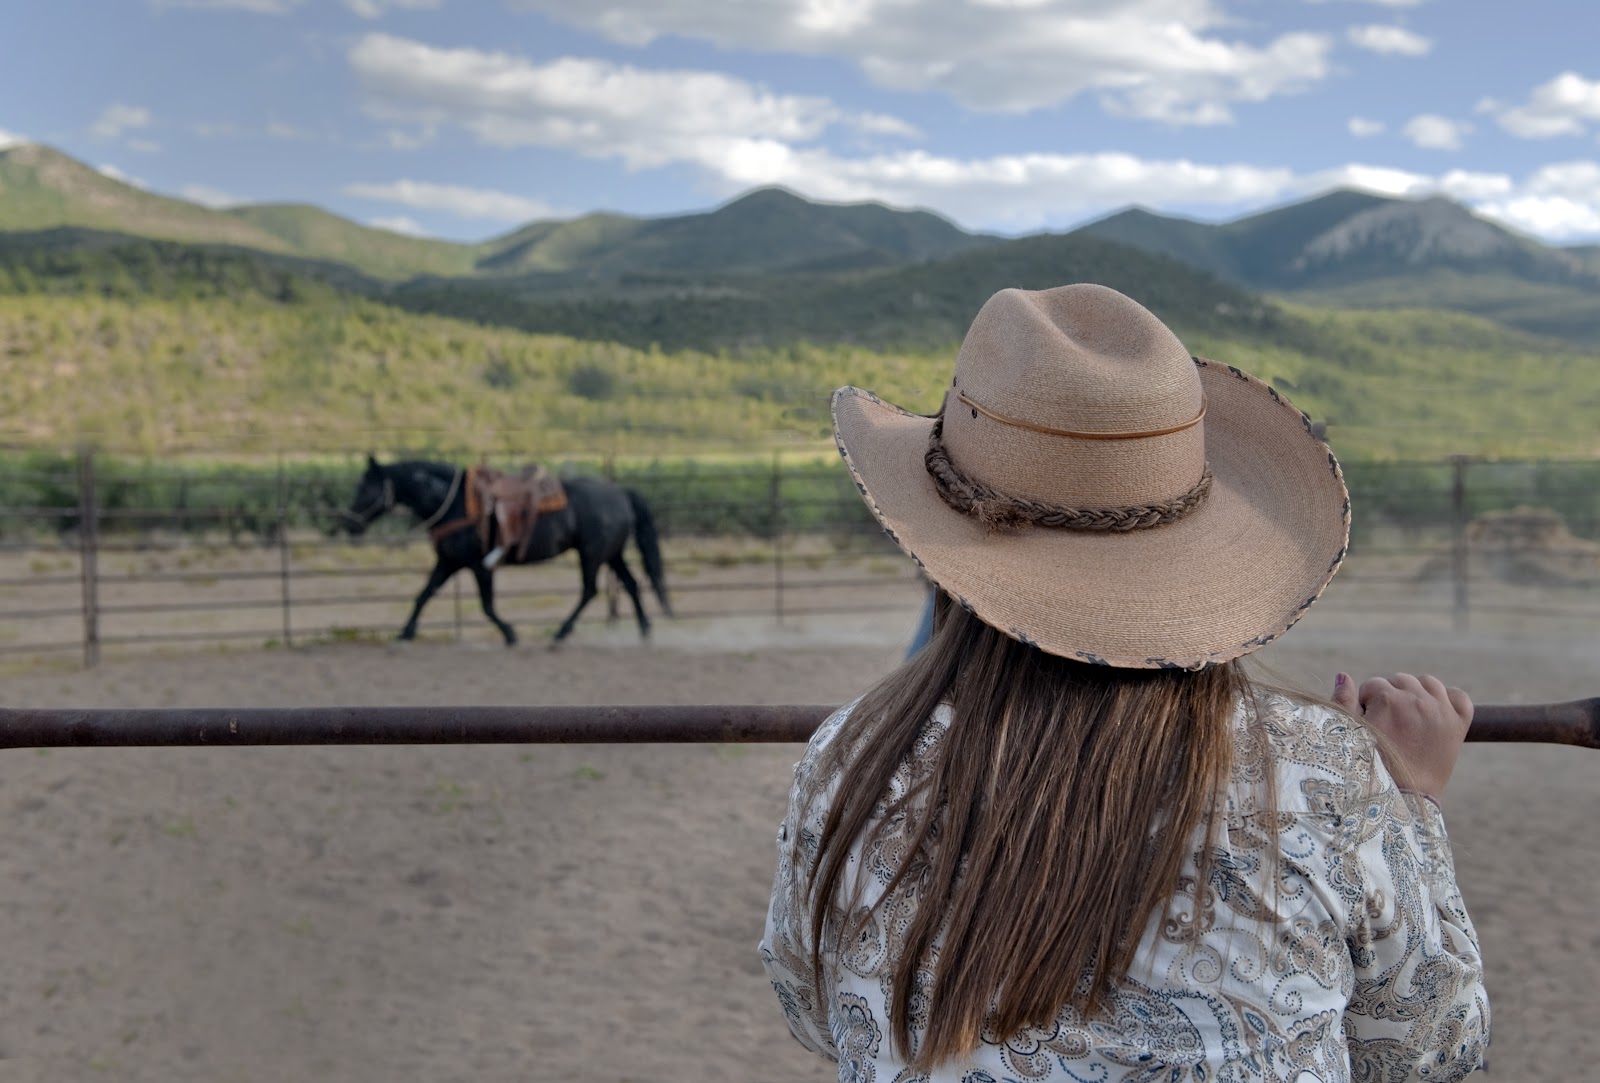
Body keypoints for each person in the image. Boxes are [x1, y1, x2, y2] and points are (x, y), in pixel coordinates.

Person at [759, 284, 1487, 1081]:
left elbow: (814, 1008)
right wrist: (1411, 804)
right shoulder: (1325, 773)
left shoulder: (851, 759)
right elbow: (1430, 1049)